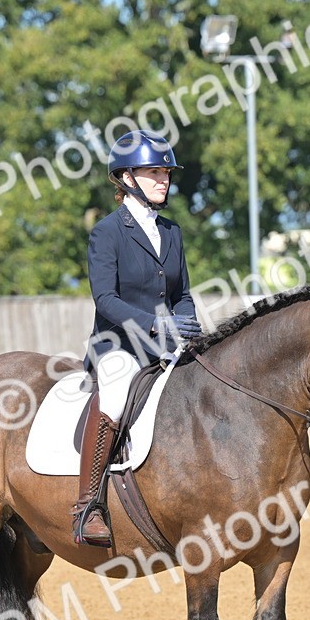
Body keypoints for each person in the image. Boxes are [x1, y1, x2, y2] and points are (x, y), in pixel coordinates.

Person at [70, 130, 202, 547]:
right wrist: (156, 325)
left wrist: (187, 325)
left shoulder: (172, 231)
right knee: (113, 398)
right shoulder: (107, 232)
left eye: (166, 173)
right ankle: (89, 505)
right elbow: (105, 299)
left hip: (167, 344)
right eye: (154, 173)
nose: (164, 179)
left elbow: (182, 294)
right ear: (127, 178)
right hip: (119, 345)